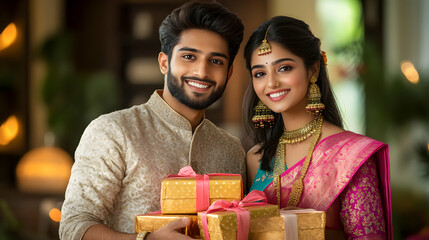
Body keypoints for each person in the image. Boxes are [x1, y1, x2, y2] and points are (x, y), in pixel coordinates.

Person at [59, 1, 246, 240]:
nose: (202, 71)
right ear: (164, 62)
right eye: (189, 56)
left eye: (216, 61)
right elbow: (73, 227)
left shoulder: (231, 150)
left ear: (229, 73)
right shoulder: (113, 131)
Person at [243, 16, 392, 239]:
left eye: (284, 68)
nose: (271, 83)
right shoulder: (256, 158)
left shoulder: (351, 155)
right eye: (260, 74)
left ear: (313, 70)